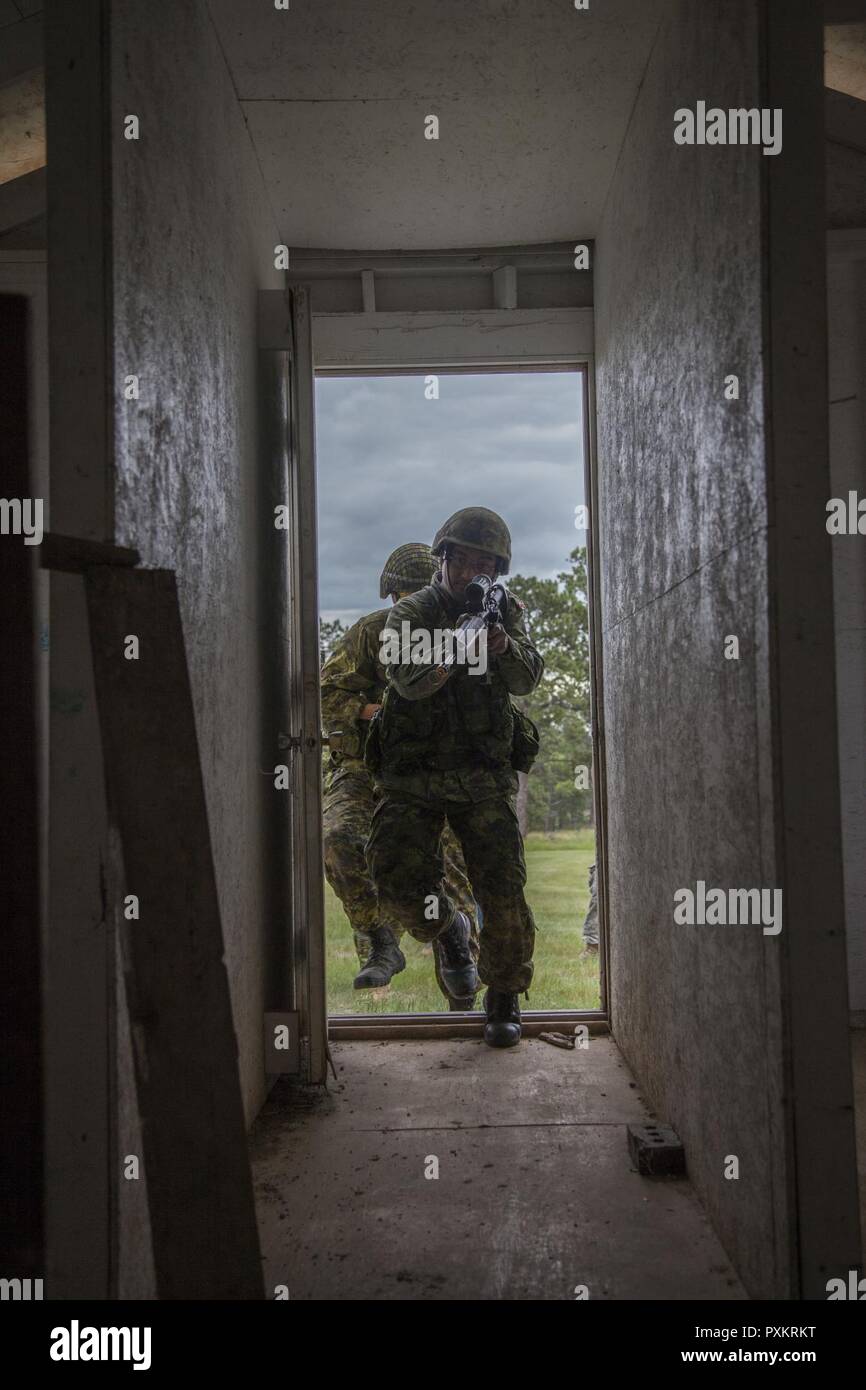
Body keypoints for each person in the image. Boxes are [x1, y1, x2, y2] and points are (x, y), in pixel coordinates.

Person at [365, 508, 544, 1047]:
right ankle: (448, 930)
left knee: (503, 889)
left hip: (482, 772)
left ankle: (504, 997)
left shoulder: (505, 611)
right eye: (462, 560)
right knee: (393, 878)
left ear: (498, 567)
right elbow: (408, 681)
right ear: (443, 558)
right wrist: (455, 650)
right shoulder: (411, 613)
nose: (471, 572)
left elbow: (527, 678)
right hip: (413, 775)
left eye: (483, 563)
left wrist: (503, 646)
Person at [320, 543, 480, 1009]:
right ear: (391, 597)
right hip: (365, 771)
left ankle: (462, 990)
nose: (406, 605)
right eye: (401, 596)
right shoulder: (370, 633)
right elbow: (327, 693)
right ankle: (378, 938)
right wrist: (371, 712)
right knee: (338, 838)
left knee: (452, 880)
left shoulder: (460, 635)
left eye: (418, 594)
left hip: (436, 778)